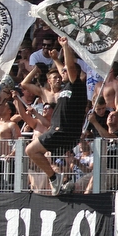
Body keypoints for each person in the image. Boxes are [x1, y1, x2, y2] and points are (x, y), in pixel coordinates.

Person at [24, 37, 88, 196]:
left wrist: (65, 47)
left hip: (64, 130)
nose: (61, 73)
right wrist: (55, 59)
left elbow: (70, 67)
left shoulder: (77, 85)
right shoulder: (67, 85)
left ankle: (54, 178)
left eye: (64, 72)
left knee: (31, 150)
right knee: (36, 152)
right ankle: (60, 180)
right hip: (61, 131)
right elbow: (65, 69)